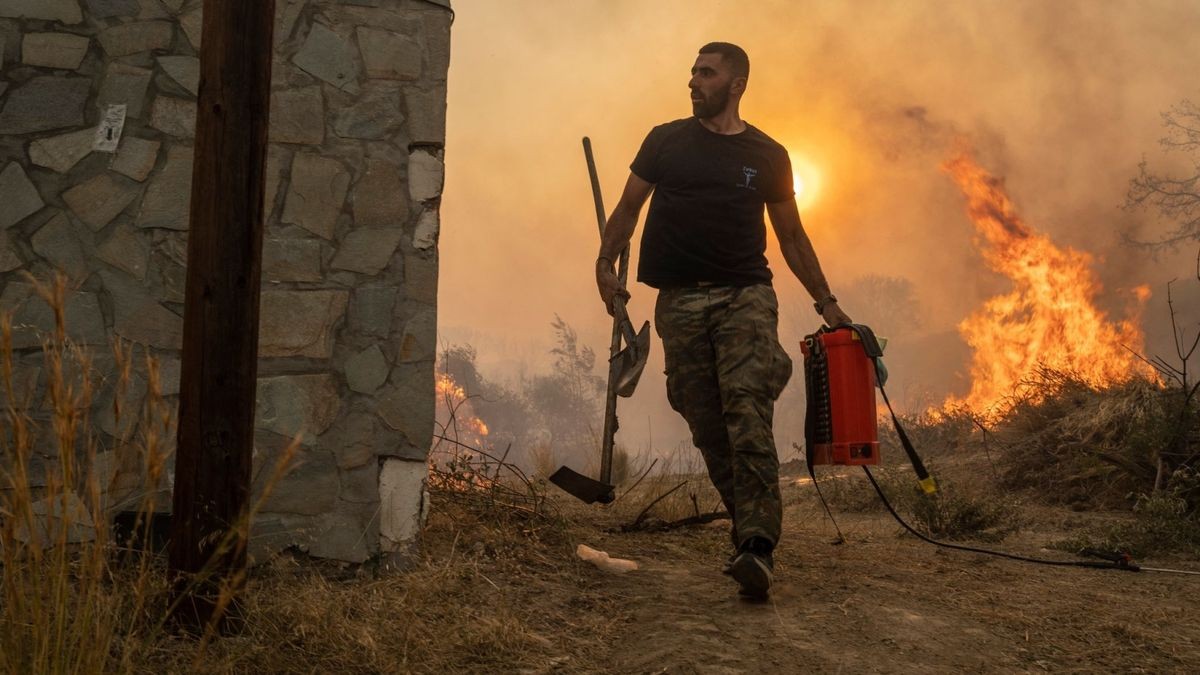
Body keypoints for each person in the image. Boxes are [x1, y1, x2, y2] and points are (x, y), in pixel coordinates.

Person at [594, 42, 852, 599]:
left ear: (736, 85)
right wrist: (604, 263)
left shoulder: (768, 154)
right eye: (691, 71)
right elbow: (627, 209)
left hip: (745, 298)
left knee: (747, 411)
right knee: (704, 418)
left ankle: (758, 546)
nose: (693, 81)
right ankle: (746, 531)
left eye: (706, 74)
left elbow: (791, 236)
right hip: (678, 301)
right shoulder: (665, 140)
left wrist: (826, 302)